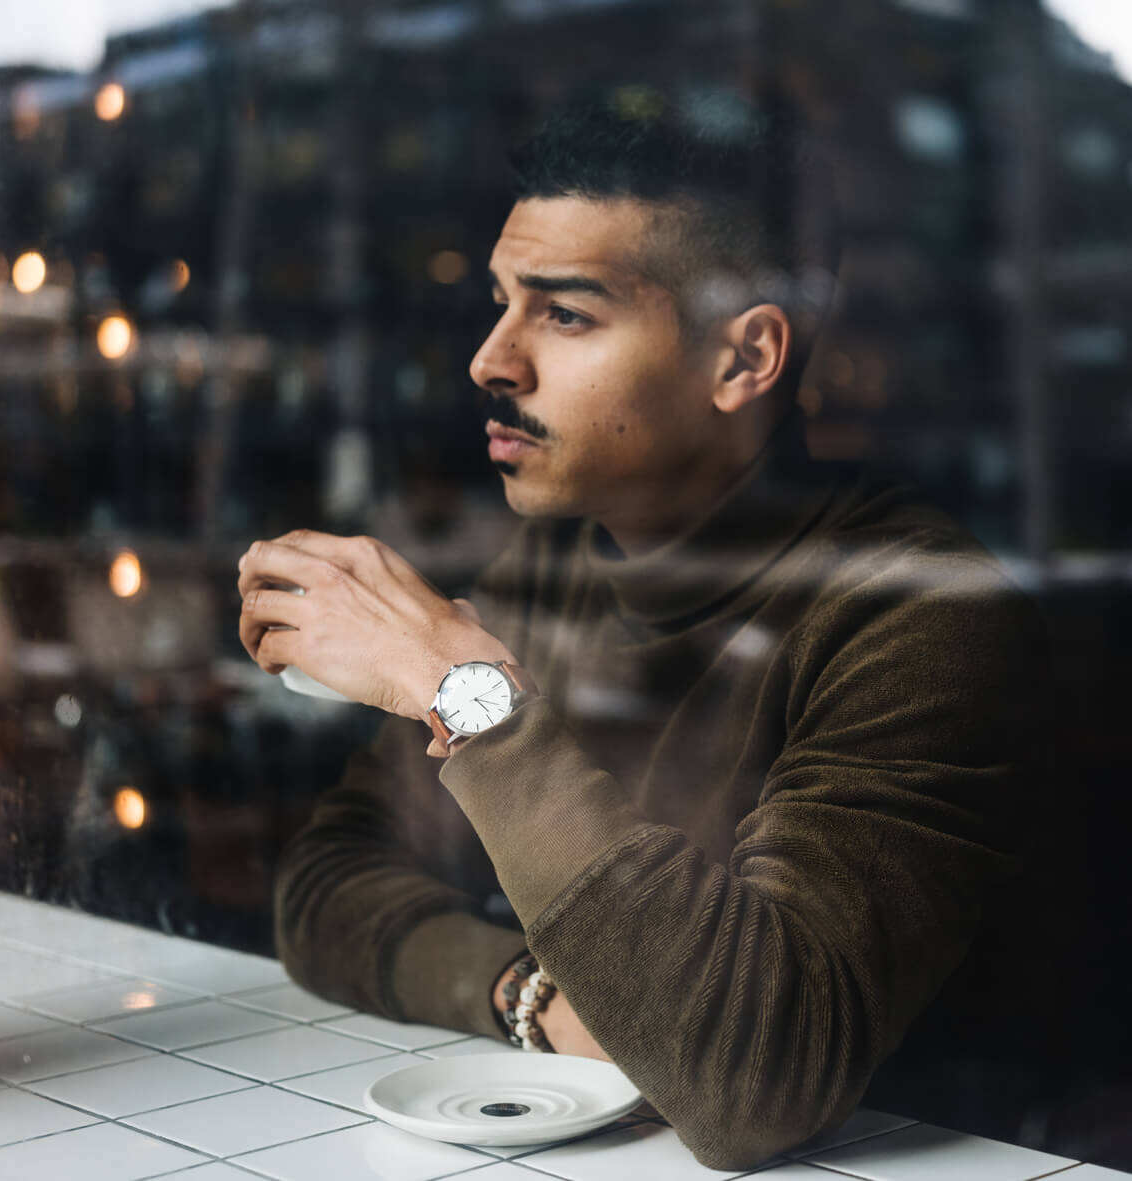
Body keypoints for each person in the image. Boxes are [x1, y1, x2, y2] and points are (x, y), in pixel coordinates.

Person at [237, 93, 1059, 1169]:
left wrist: (463, 689)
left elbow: (752, 1077)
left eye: (564, 314)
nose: (492, 358)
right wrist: (531, 993)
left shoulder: (919, 611)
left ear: (740, 361)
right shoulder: (557, 563)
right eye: (499, 303)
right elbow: (329, 884)